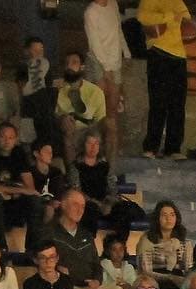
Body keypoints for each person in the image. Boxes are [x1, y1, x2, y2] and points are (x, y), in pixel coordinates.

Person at [53, 189, 127, 289]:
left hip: (87, 287)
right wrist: (57, 269)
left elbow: (96, 264)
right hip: (63, 285)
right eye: (75, 205)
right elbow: (39, 257)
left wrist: (97, 281)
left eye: (83, 206)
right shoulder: (50, 232)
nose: (80, 210)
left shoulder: (86, 234)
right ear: (63, 205)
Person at [139, 0, 196, 160]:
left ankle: (173, 149)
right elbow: (142, 17)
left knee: (178, 105)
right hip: (158, 52)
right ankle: (151, 147)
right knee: (158, 102)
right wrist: (169, 16)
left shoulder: (178, 1)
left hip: (179, 57)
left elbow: (186, 21)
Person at [84, 0, 131, 166]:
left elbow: (118, 29)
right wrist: (106, 68)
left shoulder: (113, 4)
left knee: (113, 113)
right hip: (98, 62)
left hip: (116, 60)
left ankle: (112, 160)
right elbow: (94, 43)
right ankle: (94, 153)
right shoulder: (91, 12)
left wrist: (126, 52)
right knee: (98, 112)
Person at [0, 121, 37, 252]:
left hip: (12, 199)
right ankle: (1, 247)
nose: (7, 141)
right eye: (3, 137)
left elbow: (30, 188)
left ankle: (32, 248)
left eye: (11, 137)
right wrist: (18, 190)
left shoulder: (19, 153)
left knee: (35, 201)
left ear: (16, 139)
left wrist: (12, 192)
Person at [56, 52, 106, 169]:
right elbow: (52, 116)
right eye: (67, 63)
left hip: (88, 130)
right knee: (68, 127)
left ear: (82, 67)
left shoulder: (95, 91)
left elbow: (100, 121)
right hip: (66, 130)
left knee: (104, 130)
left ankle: (107, 173)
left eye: (74, 62)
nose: (69, 66)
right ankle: (74, 174)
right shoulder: (57, 89)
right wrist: (62, 119)